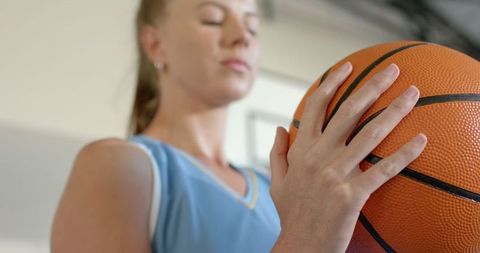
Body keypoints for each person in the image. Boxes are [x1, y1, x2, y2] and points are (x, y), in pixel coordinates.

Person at [50, 0, 427, 252]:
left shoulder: (280, 187)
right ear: (154, 45)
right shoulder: (120, 166)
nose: (241, 35)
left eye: (252, 24)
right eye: (213, 18)